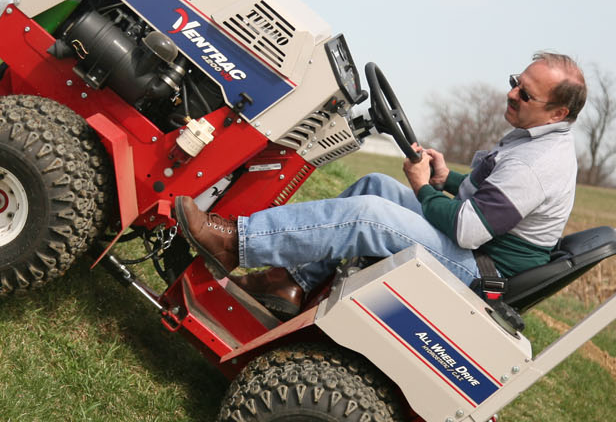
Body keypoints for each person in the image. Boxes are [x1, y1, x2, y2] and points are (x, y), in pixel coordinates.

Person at [175, 52, 586, 315]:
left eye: (526, 94)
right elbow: (492, 200)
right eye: (516, 80)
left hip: (480, 270)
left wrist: (425, 189)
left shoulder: (538, 163)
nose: (512, 93)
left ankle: (235, 244)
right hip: (481, 248)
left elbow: (468, 228)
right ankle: (289, 284)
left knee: (368, 216)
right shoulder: (535, 139)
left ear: (557, 112)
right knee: (374, 186)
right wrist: (447, 178)